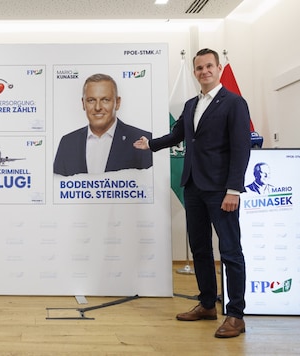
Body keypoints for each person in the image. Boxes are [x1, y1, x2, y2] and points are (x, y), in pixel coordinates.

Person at [133, 48, 251, 338]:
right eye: (199, 68)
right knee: (199, 248)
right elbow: (178, 136)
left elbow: (241, 148)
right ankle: (207, 303)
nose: (204, 71)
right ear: (195, 72)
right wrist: (150, 144)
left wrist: (234, 189)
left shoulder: (234, 103)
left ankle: (236, 315)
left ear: (219, 68)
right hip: (193, 187)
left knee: (230, 252)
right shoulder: (190, 104)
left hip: (222, 190)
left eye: (209, 66)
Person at [53, 73, 152, 176]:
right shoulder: (68, 143)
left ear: (117, 103)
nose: (97, 107)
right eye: (91, 100)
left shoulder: (144, 140)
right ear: (83, 103)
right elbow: (57, 187)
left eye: (105, 100)